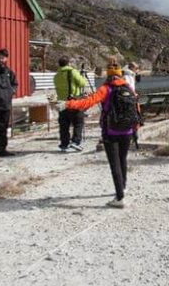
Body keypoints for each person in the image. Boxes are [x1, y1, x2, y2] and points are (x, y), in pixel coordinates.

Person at [58, 59, 139, 208]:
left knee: (114, 163)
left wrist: (67, 104)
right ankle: (123, 187)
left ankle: (120, 198)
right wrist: (135, 130)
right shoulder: (129, 88)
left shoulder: (106, 89)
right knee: (122, 159)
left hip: (111, 131)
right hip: (127, 130)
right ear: (120, 74)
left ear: (108, 75)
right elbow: (136, 108)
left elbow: (87, 102)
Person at [54, 56, 88, 152]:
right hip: (73, 101)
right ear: (68, 63)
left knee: (64, 124)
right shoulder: (72, 72)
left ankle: (64, 144)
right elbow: (82, 83)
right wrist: (81, 76)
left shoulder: (57, 75)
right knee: (78, 121)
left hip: (61, 102)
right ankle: (75, 141)